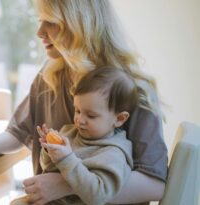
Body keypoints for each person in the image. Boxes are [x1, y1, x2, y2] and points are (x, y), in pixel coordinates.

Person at [0, 0, 168, 204]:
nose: (39, 33)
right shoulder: (50, 75)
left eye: (51, 22)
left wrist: (66, 185)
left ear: (81, 25)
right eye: (39, 21)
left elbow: (154, 184)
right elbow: (18, 132)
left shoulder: (133, 90)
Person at [11, 67, 137, 205]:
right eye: (77, 110)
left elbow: (98, 196)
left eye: (91, 115)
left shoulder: (114, 154)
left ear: (119, 119)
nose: (79, 120)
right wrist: (50, 151)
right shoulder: (69, 132)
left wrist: (66, 158)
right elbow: (47, 167)